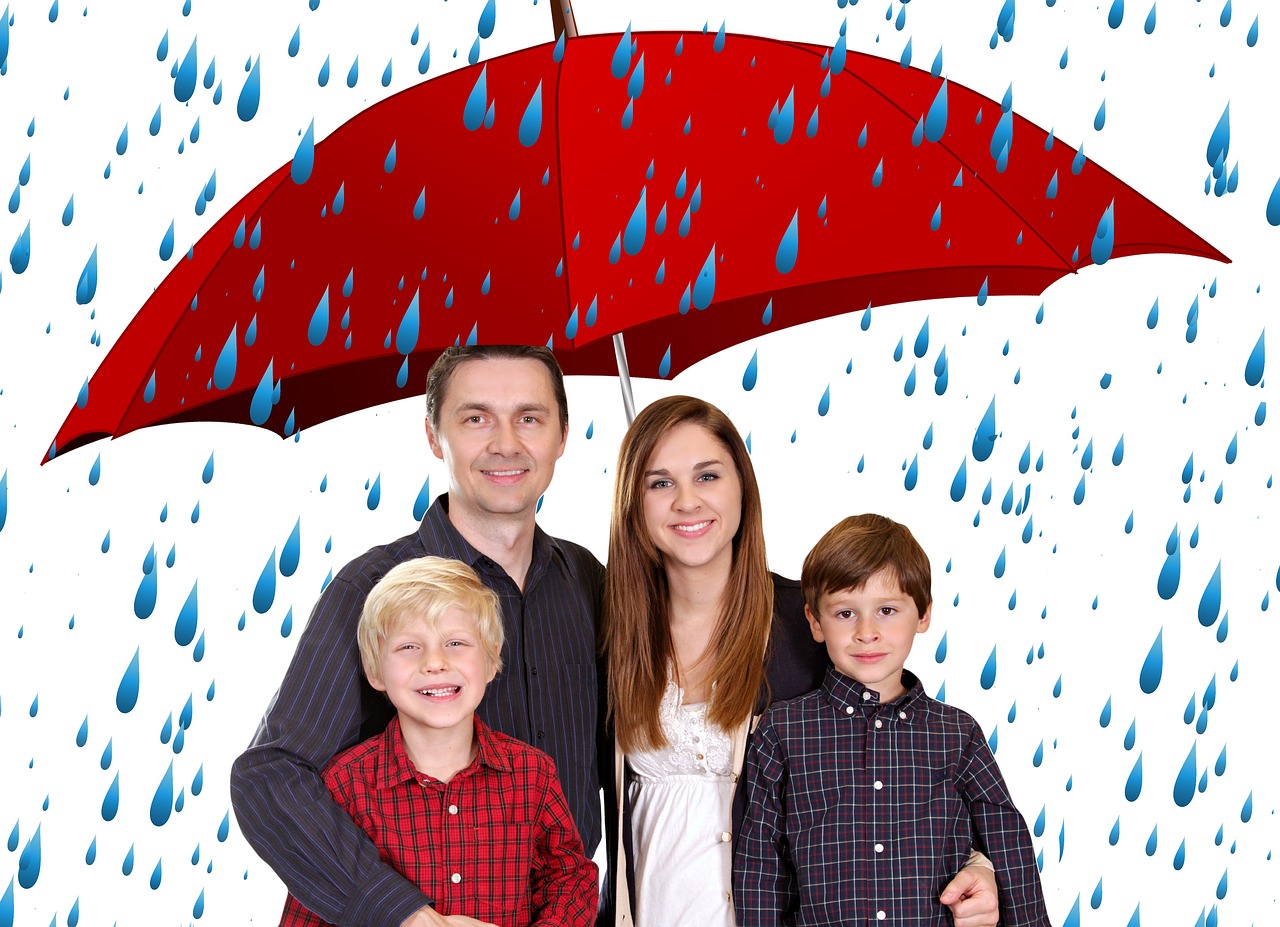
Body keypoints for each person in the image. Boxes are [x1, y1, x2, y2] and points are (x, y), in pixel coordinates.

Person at [231, 346, 606, 927]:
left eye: (529, 418)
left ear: (563, 436)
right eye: (475, 418)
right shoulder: (374, 589)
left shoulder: (586, 579)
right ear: (435, 436)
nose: (506, 442)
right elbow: (270, 777)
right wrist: (400, 912)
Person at [601, 397, 1000, 927]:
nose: (687, 501)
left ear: (743, 486)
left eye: (707, 475)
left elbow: (903, 760)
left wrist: (979, 865)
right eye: (660, 483)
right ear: (634, 500)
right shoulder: (608, 630)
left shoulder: (812, 624)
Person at [733, 514, 1050, 927]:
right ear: (814, 621)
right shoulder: (782, 731)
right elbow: (761, 864)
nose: (867, 632)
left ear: (923, 615)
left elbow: (1007, 841)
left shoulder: (957, 733)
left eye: (886, 610)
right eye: (845, 613)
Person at [279, 556, 599, 927]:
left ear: (492, 658)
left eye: (456, 642)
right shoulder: (344, 786)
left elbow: (569, 877)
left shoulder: (532, 773)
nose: (435, 662)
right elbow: (311, 903)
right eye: (409, 647)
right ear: (374, 670)